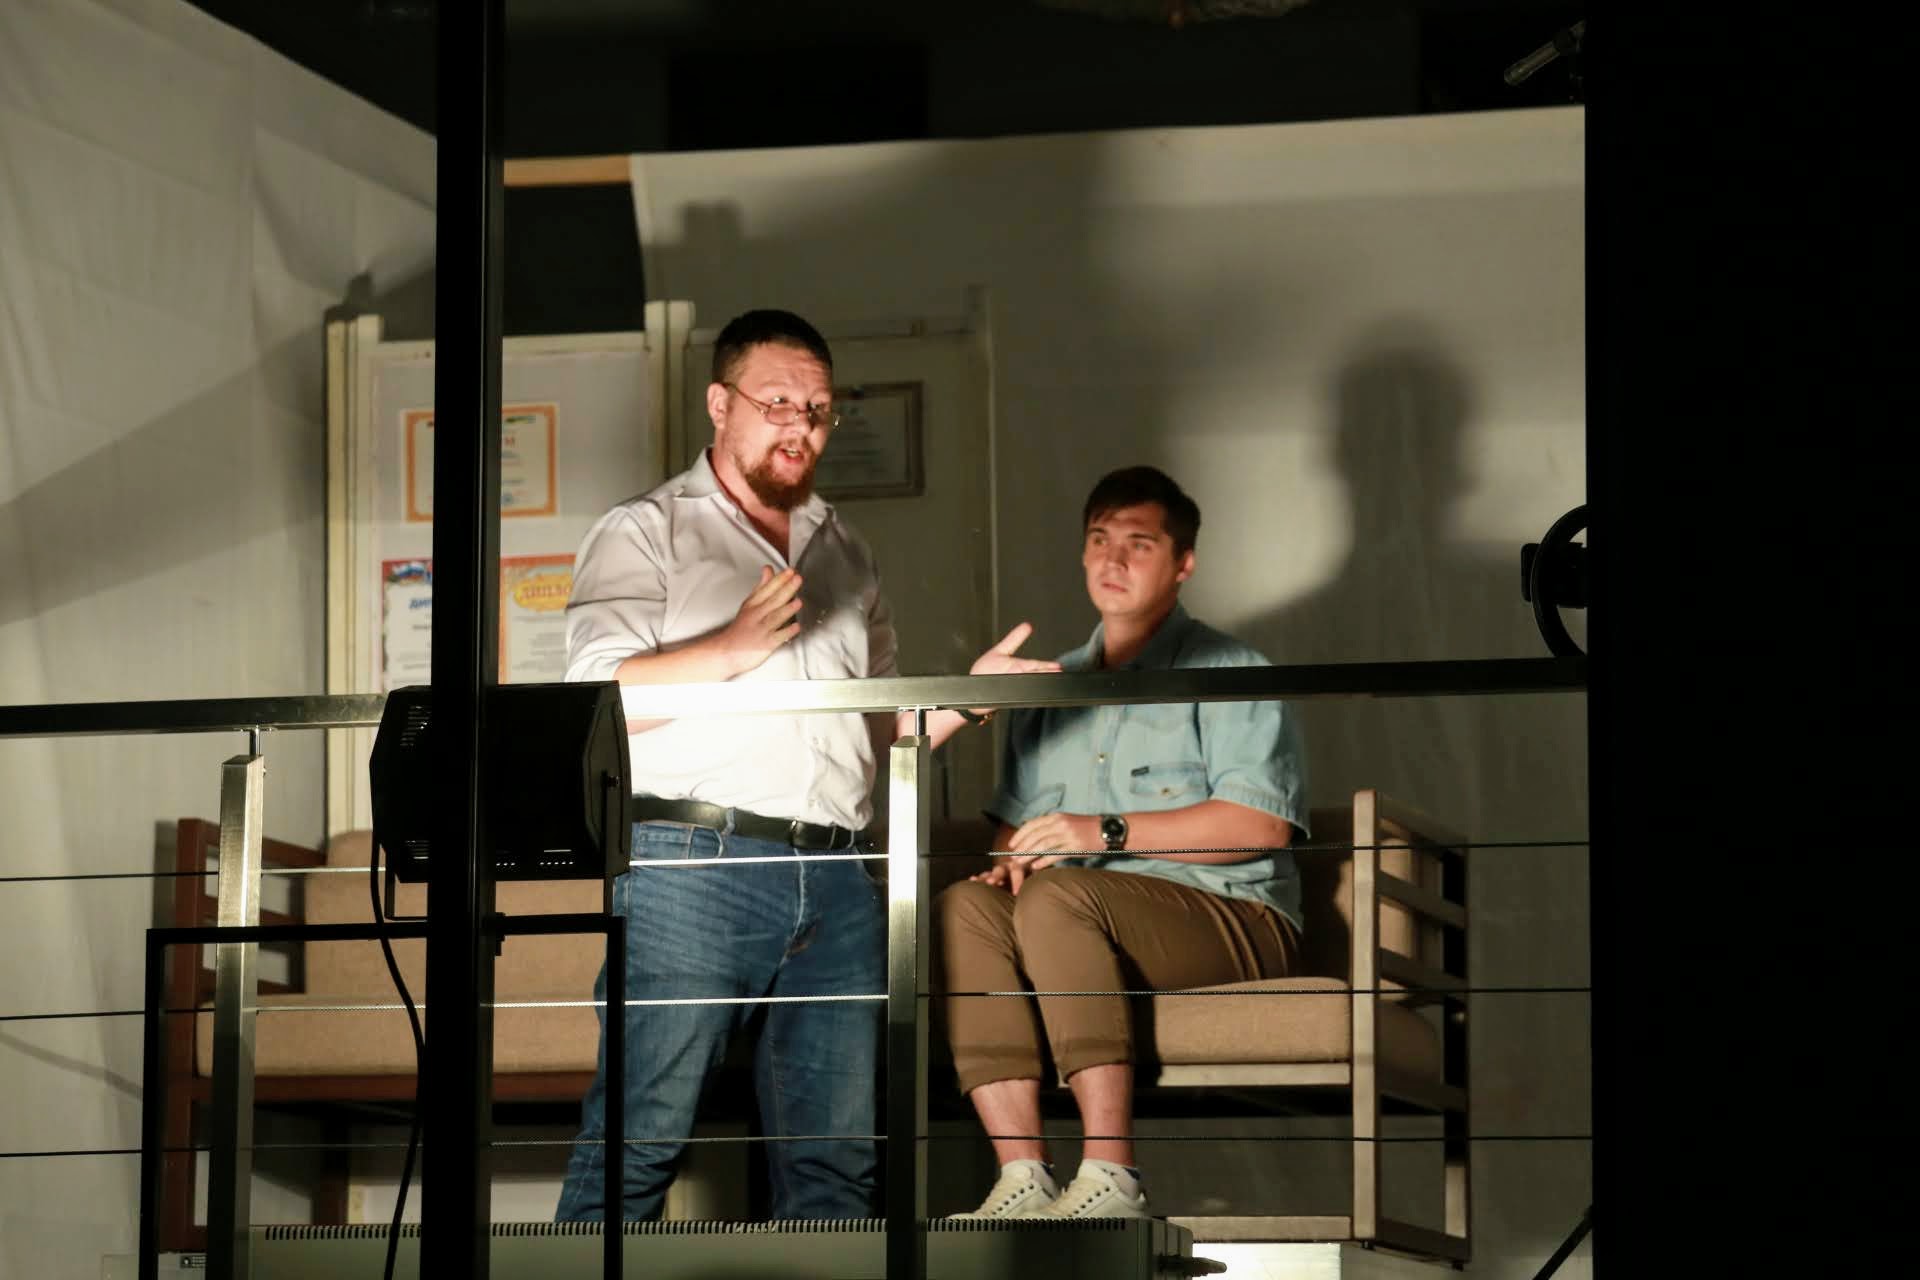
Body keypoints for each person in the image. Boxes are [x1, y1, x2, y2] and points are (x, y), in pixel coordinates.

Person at [554, 308, 1055, 1222]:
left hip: (838, 881)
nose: (802, 427)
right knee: (636, 1144)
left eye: (819, 410)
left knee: (835, 1173)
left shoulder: (845, 549)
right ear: (720, 404)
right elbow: (595, 705)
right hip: (692, 871)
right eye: (778, 403)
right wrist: (734, 646)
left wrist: (966, 699)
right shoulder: (645, 530)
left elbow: (874, 730)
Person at [935, 465, 1308, 1220]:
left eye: (1139, 543)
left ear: (1184, 562)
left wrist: (1100, 832)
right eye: (1099, 540)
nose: (1112, 560)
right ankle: (1023, 1178)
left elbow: (1260, 826)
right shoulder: (1051, 686)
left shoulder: (1232, 670)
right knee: (963, 908)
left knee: (1059, 895)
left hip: (1233, 918)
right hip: (1076, 916)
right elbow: (1014, 835)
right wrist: (1006, 867)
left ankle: (1112, 1174)